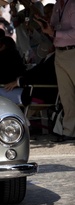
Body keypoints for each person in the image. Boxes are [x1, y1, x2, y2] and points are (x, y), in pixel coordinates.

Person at [38, 0, 75, 142]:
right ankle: (69, 131)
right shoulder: (58, 5)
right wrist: (46, 27)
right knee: (66, 96)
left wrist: (54, 31)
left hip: (72, 51)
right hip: (60, 52)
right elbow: (53, 29)